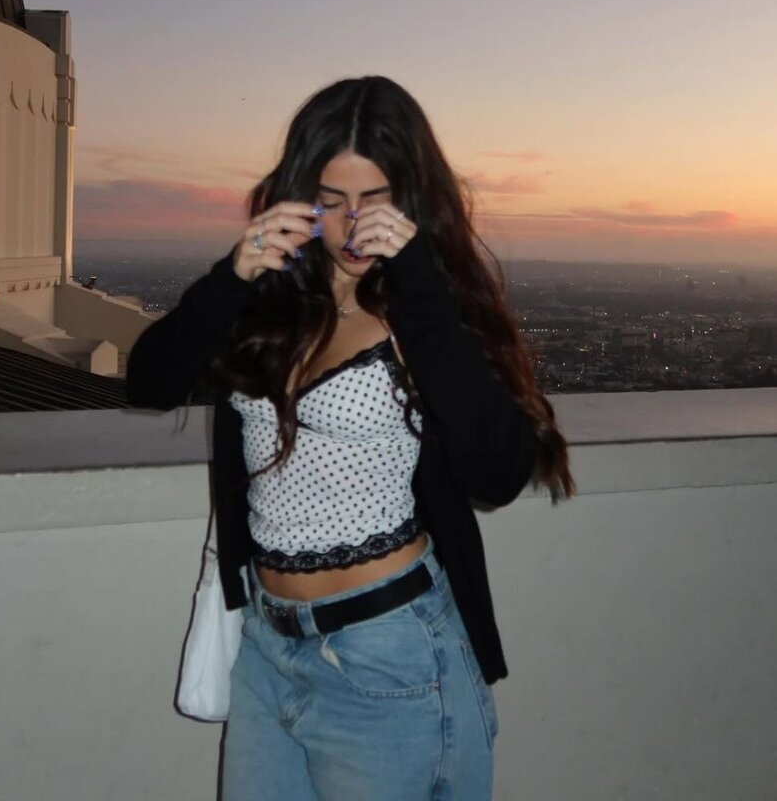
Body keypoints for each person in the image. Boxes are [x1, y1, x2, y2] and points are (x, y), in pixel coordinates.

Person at [126, 75, 575, 800]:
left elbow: (497, 472)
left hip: (386, 654)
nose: (352, 223)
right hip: (267, 647)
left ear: (414, 198)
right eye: (330, 200)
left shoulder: (423, 307)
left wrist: (419, 284)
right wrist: (230, 277)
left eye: (375, 200)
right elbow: (150, 382)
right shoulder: (273, 300)